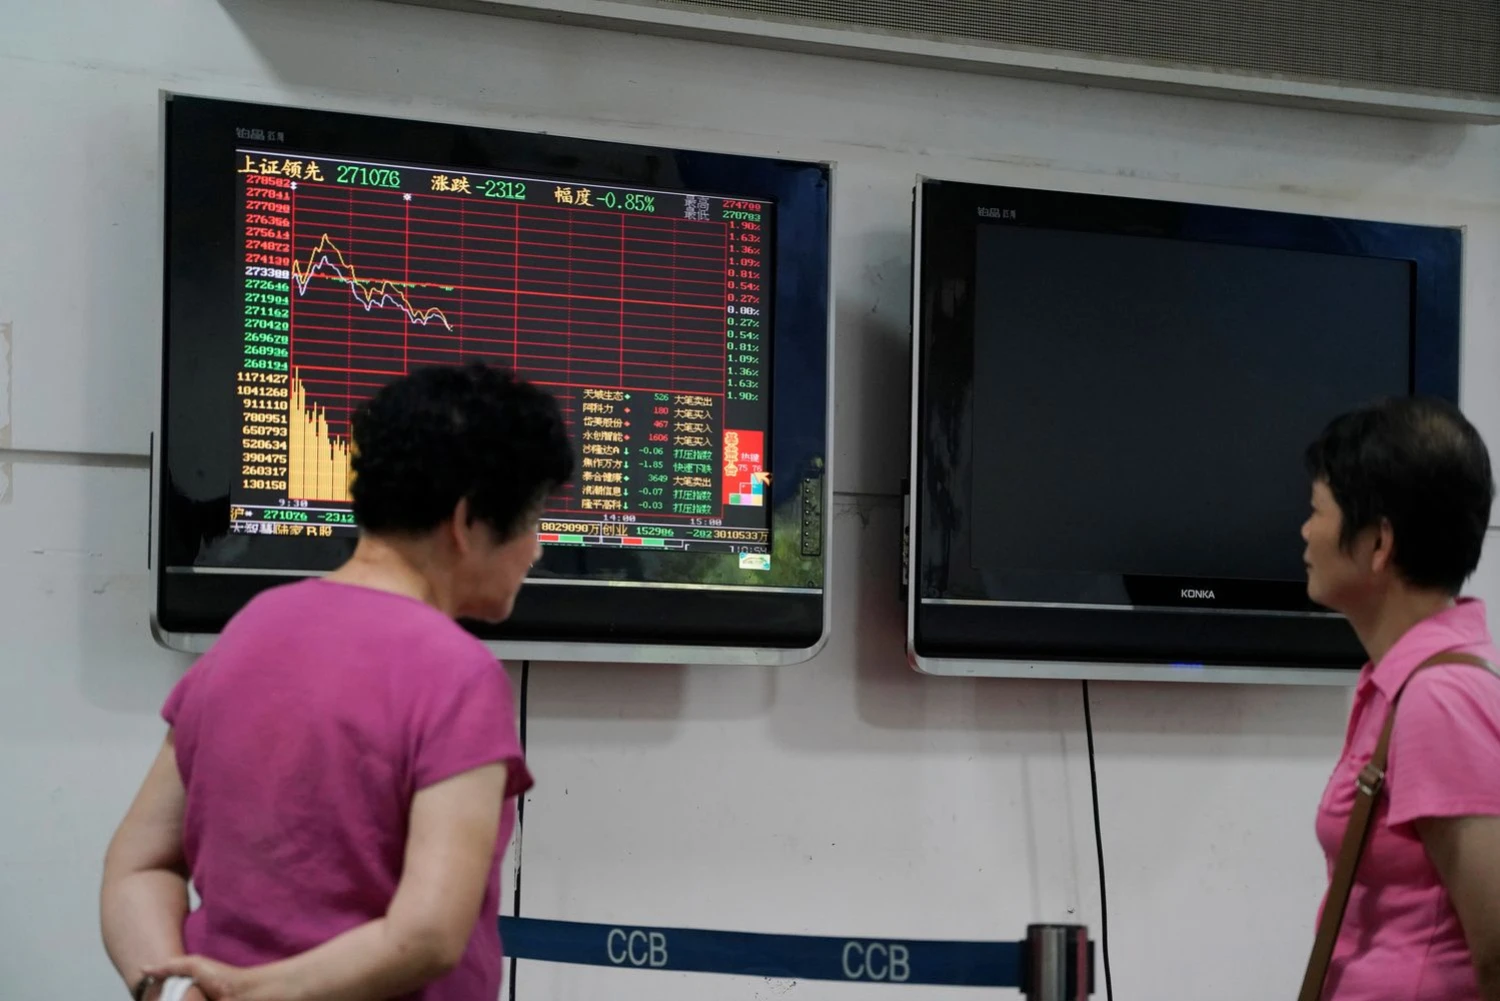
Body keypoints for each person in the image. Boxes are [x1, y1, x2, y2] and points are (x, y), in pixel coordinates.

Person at [100, 362, 574, 1001]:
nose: (537, 550)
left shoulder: (245, 635)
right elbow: (428, 935)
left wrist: (169, 979)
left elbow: (138, 865)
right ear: (466, 523)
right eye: (533, 521)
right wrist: (256, 995)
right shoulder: (457, 676)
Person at [1301, 395, 1500, 1000]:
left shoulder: (1441, 697)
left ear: (1378, 543)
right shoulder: (1402, 685)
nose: (1305, 532)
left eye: (1318, 511)